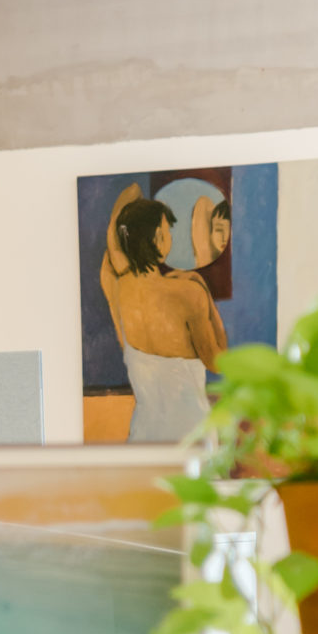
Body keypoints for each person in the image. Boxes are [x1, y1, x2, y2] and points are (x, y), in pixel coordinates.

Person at [100, 184, 228, 441]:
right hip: (192, 439)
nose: (170, 236)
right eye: (167, 231)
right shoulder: (189, 293)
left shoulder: (115, 286)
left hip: (144, 439)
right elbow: (219, 361)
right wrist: (201, 286)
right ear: (158, 239)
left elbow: (120, 216)